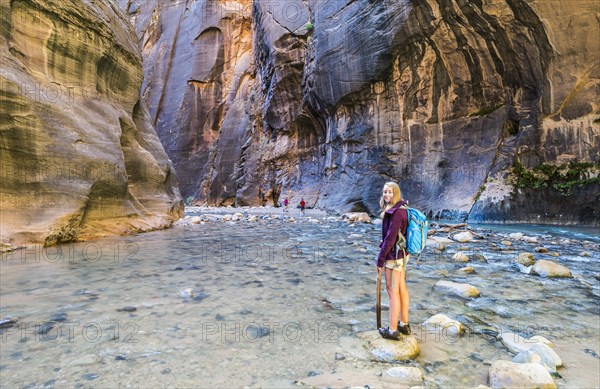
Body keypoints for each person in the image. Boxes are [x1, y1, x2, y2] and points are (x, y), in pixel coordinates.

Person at [376, 181, 411, 340]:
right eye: (385, 192)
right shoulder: (403, 208)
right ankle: (404, 324)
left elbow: (390, 239)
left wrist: (380, 260)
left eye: (390, 192)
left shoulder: (396, 212)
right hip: (402, 254)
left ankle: (392, 330)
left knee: (392, 291)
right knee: (402, 288)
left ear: (396, 193)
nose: (387, 195)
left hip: (394, 257)